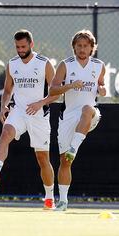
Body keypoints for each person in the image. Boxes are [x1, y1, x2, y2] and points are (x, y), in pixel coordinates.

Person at [0, 30, 58, 210]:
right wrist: (3, 106)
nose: (20, 50)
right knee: (5, 133)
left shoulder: (44, 63)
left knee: (42, 159)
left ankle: (49, 197)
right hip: (18, 111)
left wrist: (41, 103)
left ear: (32, 44)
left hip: (39, 115)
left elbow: (56, 92)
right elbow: (8, 90)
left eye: (23, 46)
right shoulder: (12, 64)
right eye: (17, 47)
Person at [48, 29, 106, 211]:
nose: (82, 49)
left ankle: (75, 147)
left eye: (86, 46)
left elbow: (101, 85)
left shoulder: (99, 65)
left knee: (88, 109)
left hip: (89, 115)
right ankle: (63, 201)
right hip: (68, 116)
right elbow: (52, 90)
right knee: (65, 162)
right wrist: (71, 85)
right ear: (74, 47)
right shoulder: (65, 65)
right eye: (79, 46)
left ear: (92, 48)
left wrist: (102, 89)